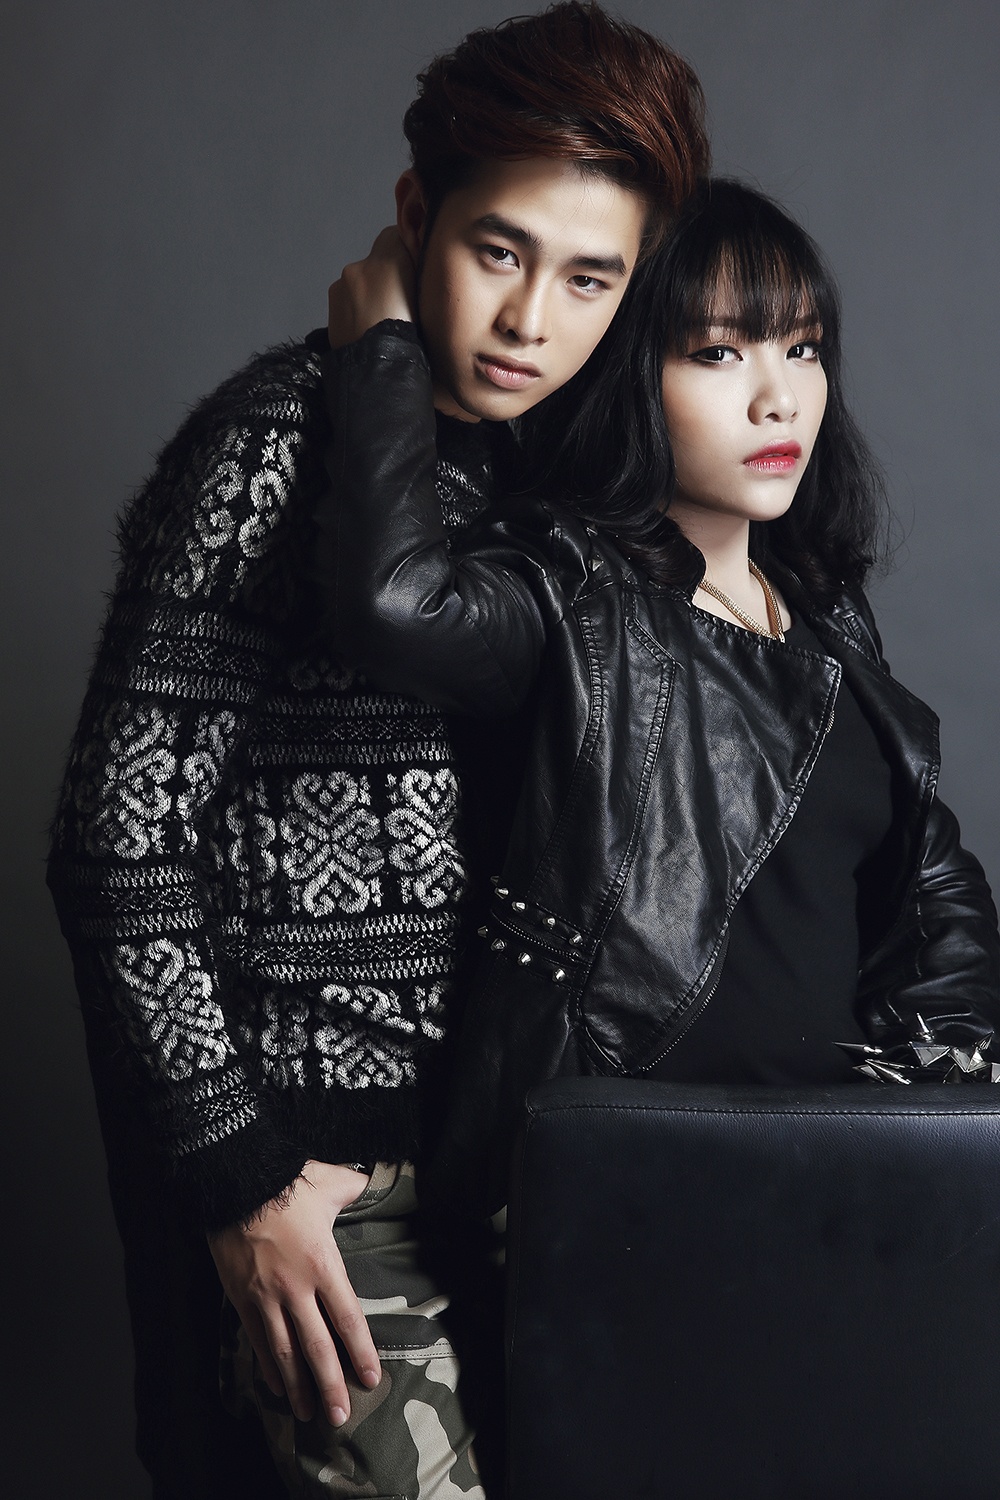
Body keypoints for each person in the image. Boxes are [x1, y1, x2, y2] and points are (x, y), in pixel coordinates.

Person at [46, 5, 709, 1496]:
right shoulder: (279, 440)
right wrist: (243, 1182)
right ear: (417, 214)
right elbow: (117, 841)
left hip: (522, 1167)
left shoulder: (567, 484)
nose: (531, 320)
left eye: (590, 276)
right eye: (498, 251)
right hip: (319, 1180)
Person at [318, 177, 1000, 1220]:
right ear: (628, 370)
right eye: (718, 353)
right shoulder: (571, 584)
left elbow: (927, 871)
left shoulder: (820, 609)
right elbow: (397, 608)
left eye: (802, 348)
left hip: (835, 1182)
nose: (778, 399)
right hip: (631, 1189)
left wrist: (934, 1092)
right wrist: (384, 354)